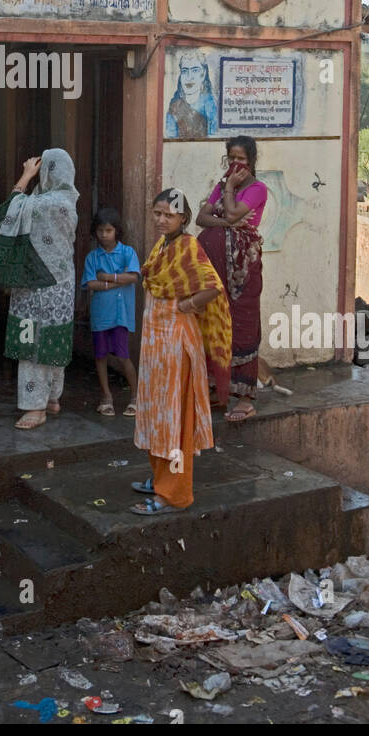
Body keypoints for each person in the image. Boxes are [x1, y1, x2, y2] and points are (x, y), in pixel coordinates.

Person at [131, 188, 231, 514]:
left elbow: (212, 286)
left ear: (183, 218)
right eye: (157, 213)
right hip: (156, 348)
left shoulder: (188, 246)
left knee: (175, 422)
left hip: (176, 346)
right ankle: (160, 478)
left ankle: (173, 494)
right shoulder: (164, 245)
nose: (161, 219)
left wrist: (186, 304)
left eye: (168, 214)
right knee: (157, 416)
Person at [3, 149, 78, 430]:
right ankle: (52, 399)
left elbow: (8, 213)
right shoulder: (68, 199)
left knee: (32, 344)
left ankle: (35, 408)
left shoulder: (44, 203)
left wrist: (25, 175)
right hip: (61, 285)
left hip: (38, 285)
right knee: (54, 339)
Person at [195, 136, 268, 422]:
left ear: (251, 161)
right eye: (232, 158)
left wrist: (228, 191)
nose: (236, 164)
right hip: (214, 271)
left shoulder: (257, 189)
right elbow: (201, 217)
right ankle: (217, 390)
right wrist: (225, 222)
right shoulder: (220, 184)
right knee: (214, 321)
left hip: (242, 273)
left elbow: (236, 211)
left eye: (241, 159)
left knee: (242, 326)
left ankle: (246, 398)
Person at [80, 207, 140, 417]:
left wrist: (106, 277)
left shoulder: (127, 252)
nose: (104, 235)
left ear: (117, 231)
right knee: (100, 356)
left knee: (123, 356)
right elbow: (89, 283)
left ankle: (135, 397)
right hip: (100, 314)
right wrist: (116, 280)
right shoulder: (92, 257)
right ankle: (106, 397)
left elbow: (133, 277)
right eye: (100, 231)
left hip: (121, 314)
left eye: (108, 230)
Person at [164, 52, 218, 139]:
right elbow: (170, 136)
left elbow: (214, 135)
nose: (189, 77)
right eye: (185, 71)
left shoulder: (210, 103)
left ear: (203, 74)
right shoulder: (174, 106)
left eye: (195, 70)